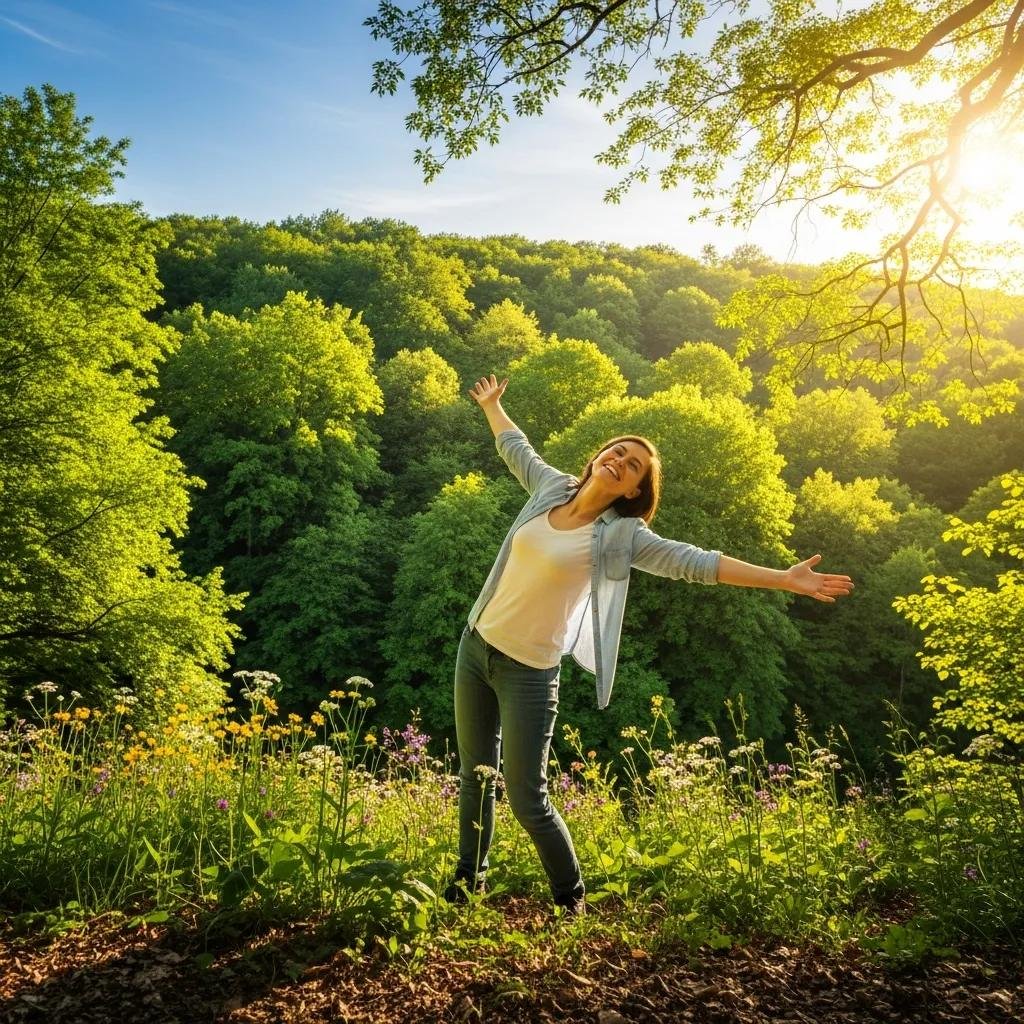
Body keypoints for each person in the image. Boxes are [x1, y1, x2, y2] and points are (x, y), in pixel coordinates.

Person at [444, 374, 855, 915]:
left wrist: (782, 577)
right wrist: (494, 407)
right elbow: (516, 447)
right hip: (476, 649)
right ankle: (466, 884)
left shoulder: (622, 536)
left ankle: (571, 901)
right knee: (475, 777)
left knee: (526, 796)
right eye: (617, 450)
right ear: (598, 458)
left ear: (634, 489)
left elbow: (697, 563)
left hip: (529, 671)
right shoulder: (551, 489)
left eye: (633, 464)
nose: (620, 459)